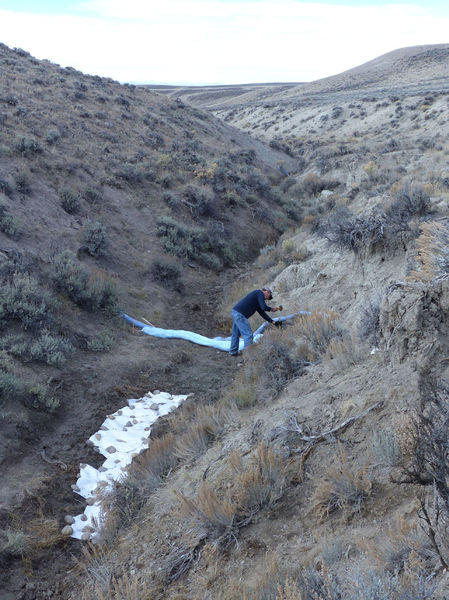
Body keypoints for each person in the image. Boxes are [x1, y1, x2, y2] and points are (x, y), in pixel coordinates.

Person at [229, 288, 280, 356]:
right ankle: (249, 356)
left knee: (236, 334)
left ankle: (233, 352)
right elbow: (264, 307)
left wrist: (272, 321)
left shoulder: (257, 299)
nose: (266, 299)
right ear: (267, 292)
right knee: (248, 335)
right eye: (268, 297)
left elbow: (262, 313)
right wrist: (271, 309)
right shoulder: (259, 293)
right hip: (239, 315)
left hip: (235, 312)